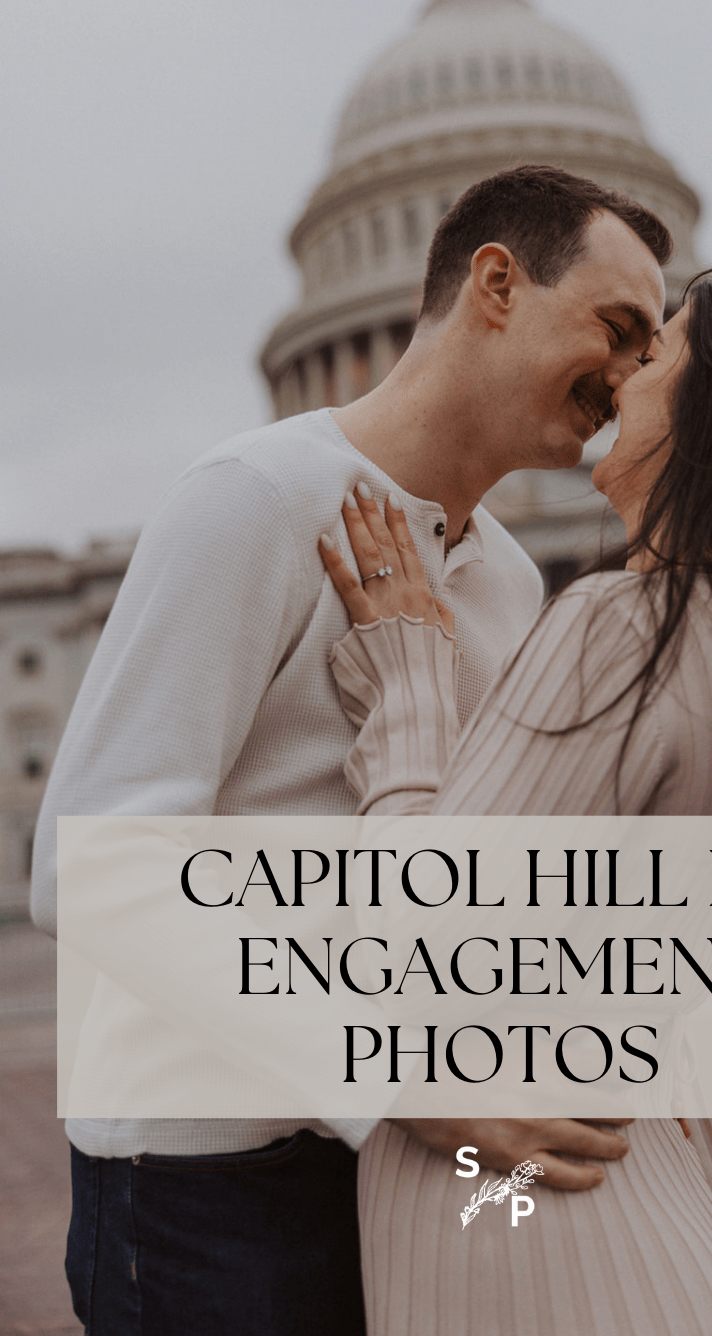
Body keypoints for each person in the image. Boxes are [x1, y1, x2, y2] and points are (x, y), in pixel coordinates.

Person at [30, 164, 671, 1336]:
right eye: (618, 328)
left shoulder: (514, 582)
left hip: (394, 1166)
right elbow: (89, 866)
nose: (632, 378)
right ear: (494, 284)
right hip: (211, 1180)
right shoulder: (254, 498)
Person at [320, 267, 712, 1336]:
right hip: (646, 1216)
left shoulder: (623, 628)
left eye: (656, 355)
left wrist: (409, 688)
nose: (619, 378)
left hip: (546, 1258)